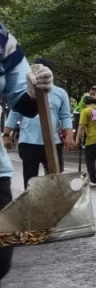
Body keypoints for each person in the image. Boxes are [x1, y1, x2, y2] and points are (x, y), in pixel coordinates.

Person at [0, 23, 55, 285]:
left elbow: (20, 101)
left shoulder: (3, 39)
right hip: (29, 143)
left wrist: (35, 91)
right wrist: (9, 130)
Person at [3, 58, 73, 189]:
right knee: (30, 179)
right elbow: (14, 113)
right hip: (29, 143)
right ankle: (31, 205)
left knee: (55, 177)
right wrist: (6, 135)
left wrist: (69, 135)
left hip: (53, 142)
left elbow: (65, 116)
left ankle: (52, 205)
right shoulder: (25, 93)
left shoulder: (60, 93)